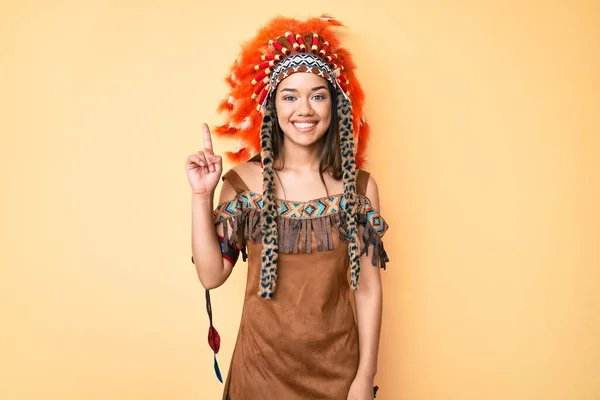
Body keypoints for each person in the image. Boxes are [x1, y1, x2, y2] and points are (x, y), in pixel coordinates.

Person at [185, 15, 389, 400]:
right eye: (290, 96)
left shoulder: (360, 189)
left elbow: (367, 289)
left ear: (334, 103)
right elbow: (211, 276)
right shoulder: (242, 184)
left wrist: (365, 377)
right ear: (272, 107)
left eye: (317, 95)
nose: (304, 109)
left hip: (338, 374)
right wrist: (201, 196)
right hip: (260, 375)